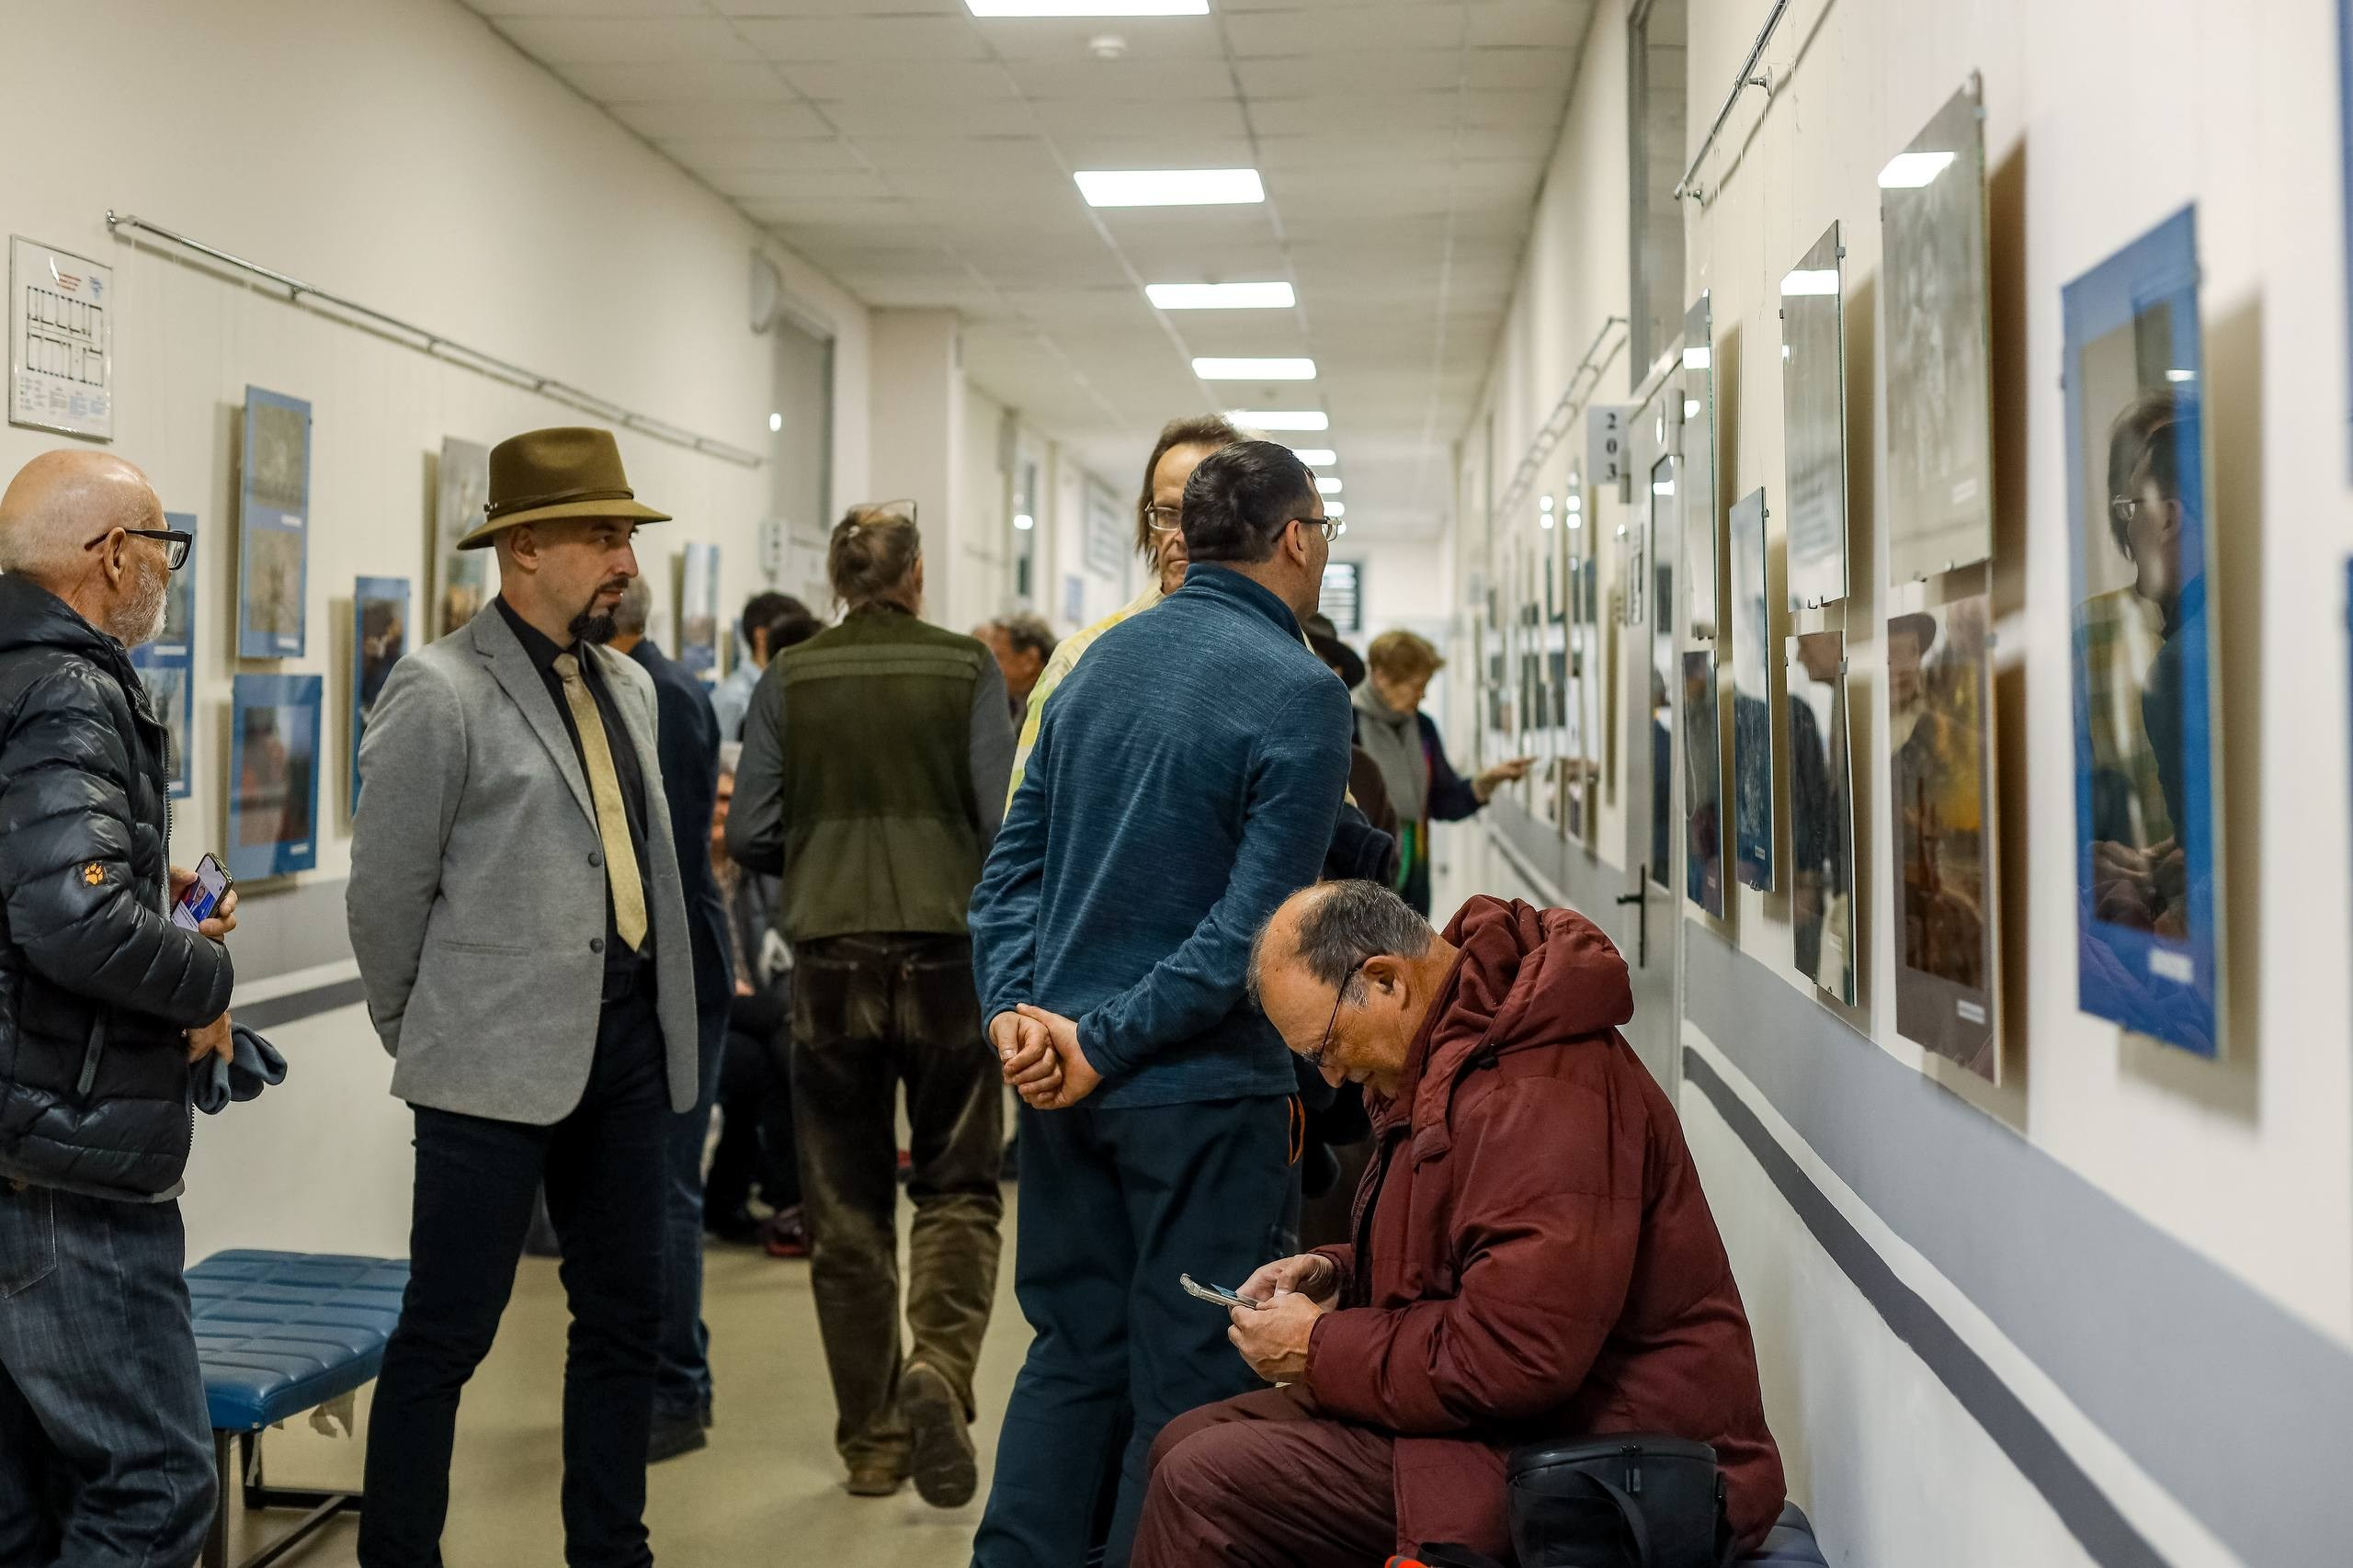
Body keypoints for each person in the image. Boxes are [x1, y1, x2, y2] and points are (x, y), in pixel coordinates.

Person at [1130, 881, 1787, 1566]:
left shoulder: (1536, 1096)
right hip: (1521, 1425)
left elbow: (1517, 1356)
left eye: (1324, 1048)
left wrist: (1320, 1347)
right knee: (1180, 1444)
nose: (1331, 1078)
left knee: (1200, 1484)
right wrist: (1339, 1277)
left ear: (1385, 980)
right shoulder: (1461, 1048)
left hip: (1614, 1464)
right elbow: (1468, 1262)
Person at [970, 439, 1350, 1568]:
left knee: (1071, 1352)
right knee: (1187, 1385)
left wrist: (1017, 1020)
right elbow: (1255, 933)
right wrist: (1102, 1042)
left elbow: (1008, 877)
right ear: (1292, 539)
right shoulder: (1300, 689)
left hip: (1060, 1091)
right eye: (1321, 528)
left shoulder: (1094, 664)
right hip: (1197, 1093)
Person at [348, 426, 703, 1568]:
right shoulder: (439, 687)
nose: (624, 559)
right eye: (602, 536)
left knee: (622, 1326)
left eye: (627, 536)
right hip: (486, 1067)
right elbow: (386, 897)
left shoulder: (631, 685)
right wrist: (433, 1037)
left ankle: (612, 1551)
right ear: (524, 547)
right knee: (447, 1332)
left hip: (630, 1050)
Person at [728, 503, 1014, 1506]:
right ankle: (938, 1363)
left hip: (829, 963)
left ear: (838, 582)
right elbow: (1002, 818)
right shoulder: (967, 669)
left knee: (845, 1204)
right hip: (949, 957)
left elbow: (755, 826)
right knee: (957, 1184)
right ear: (918, 574)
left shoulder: (788, 675)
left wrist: (823, 847)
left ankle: (872, 1442)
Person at [0, 450, 240, 1568]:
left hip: (22, 1146)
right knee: (154, 1484)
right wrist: (203, 973)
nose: (165, 569)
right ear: (112, 555)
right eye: (163, 544)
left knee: (25, 1502)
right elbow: (74, 917)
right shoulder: (71, 688)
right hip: (69, 1177)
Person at [607, 577, 733, 1463]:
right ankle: (657, 1379)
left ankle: (675, 1388)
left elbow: (666, 859)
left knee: (668, 1192)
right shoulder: (665, 688)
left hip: (677, 973)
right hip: (668, 967)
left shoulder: (656, 696)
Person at [1006, 413, 1241, 804]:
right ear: (1148, 525)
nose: (1183, 536)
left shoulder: (1283, 650)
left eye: (1206, 513)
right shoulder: (1081, 658)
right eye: (1168, 514)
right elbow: (1024, 819)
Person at [701, 746, 803, 1256]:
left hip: (749, 1019)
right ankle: (793, 1199)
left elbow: (782, 956)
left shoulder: (757, 873)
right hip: (707, 1008)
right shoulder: (685, 871)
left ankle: (749, 1200)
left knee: (770, 1060)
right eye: (718, 798)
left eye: (733, 801)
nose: (724, 810)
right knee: (786, 1036)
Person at [1351, 630, 1532, 915]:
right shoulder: (1348, 726)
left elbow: (1441, 800)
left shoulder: (1423, 728)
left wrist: (1484, 783)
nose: (1423, 694)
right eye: (1416, 685)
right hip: (1358, 884)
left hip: (1413, 883)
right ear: (1382, 676)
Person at [710, 589, 810, 744]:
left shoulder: (780, 691)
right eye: (793, 635)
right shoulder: (735, 700)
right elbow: (727, 762)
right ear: (761, 637)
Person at [983, 612, 1057, 727]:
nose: (988, 668)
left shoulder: (1051, 711)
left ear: (1029, 660)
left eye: (997, 657)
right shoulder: (1015, 702)